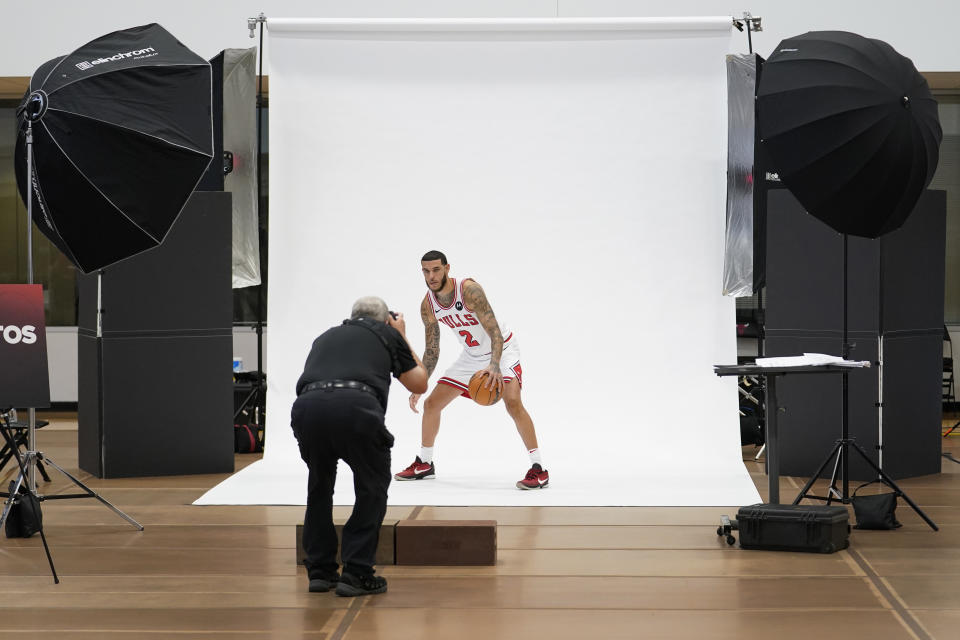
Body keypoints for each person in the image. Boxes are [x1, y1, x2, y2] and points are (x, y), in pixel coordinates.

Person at [291, 296, 427, 596]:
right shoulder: (387, 333)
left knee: (319, 485)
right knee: (372, 486)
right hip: (356, 408)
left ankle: (320, 571)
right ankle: (356, 571)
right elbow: (419, 383)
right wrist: (401, 333)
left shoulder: (325, 336)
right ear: (385, 319)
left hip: (308, 409)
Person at [394, 250, 548, 489]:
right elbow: (432, 349)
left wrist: (495, 365)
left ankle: (539, 468)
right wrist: (420, 383)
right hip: (472, 356)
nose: (431, 276)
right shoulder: (428, 305)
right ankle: (425, 463)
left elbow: (494, 331)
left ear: (447, 268)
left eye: (436, 269)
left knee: (513, 402)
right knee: (431, 404)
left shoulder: (468, 290)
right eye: (426, 271)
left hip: (502, 350)